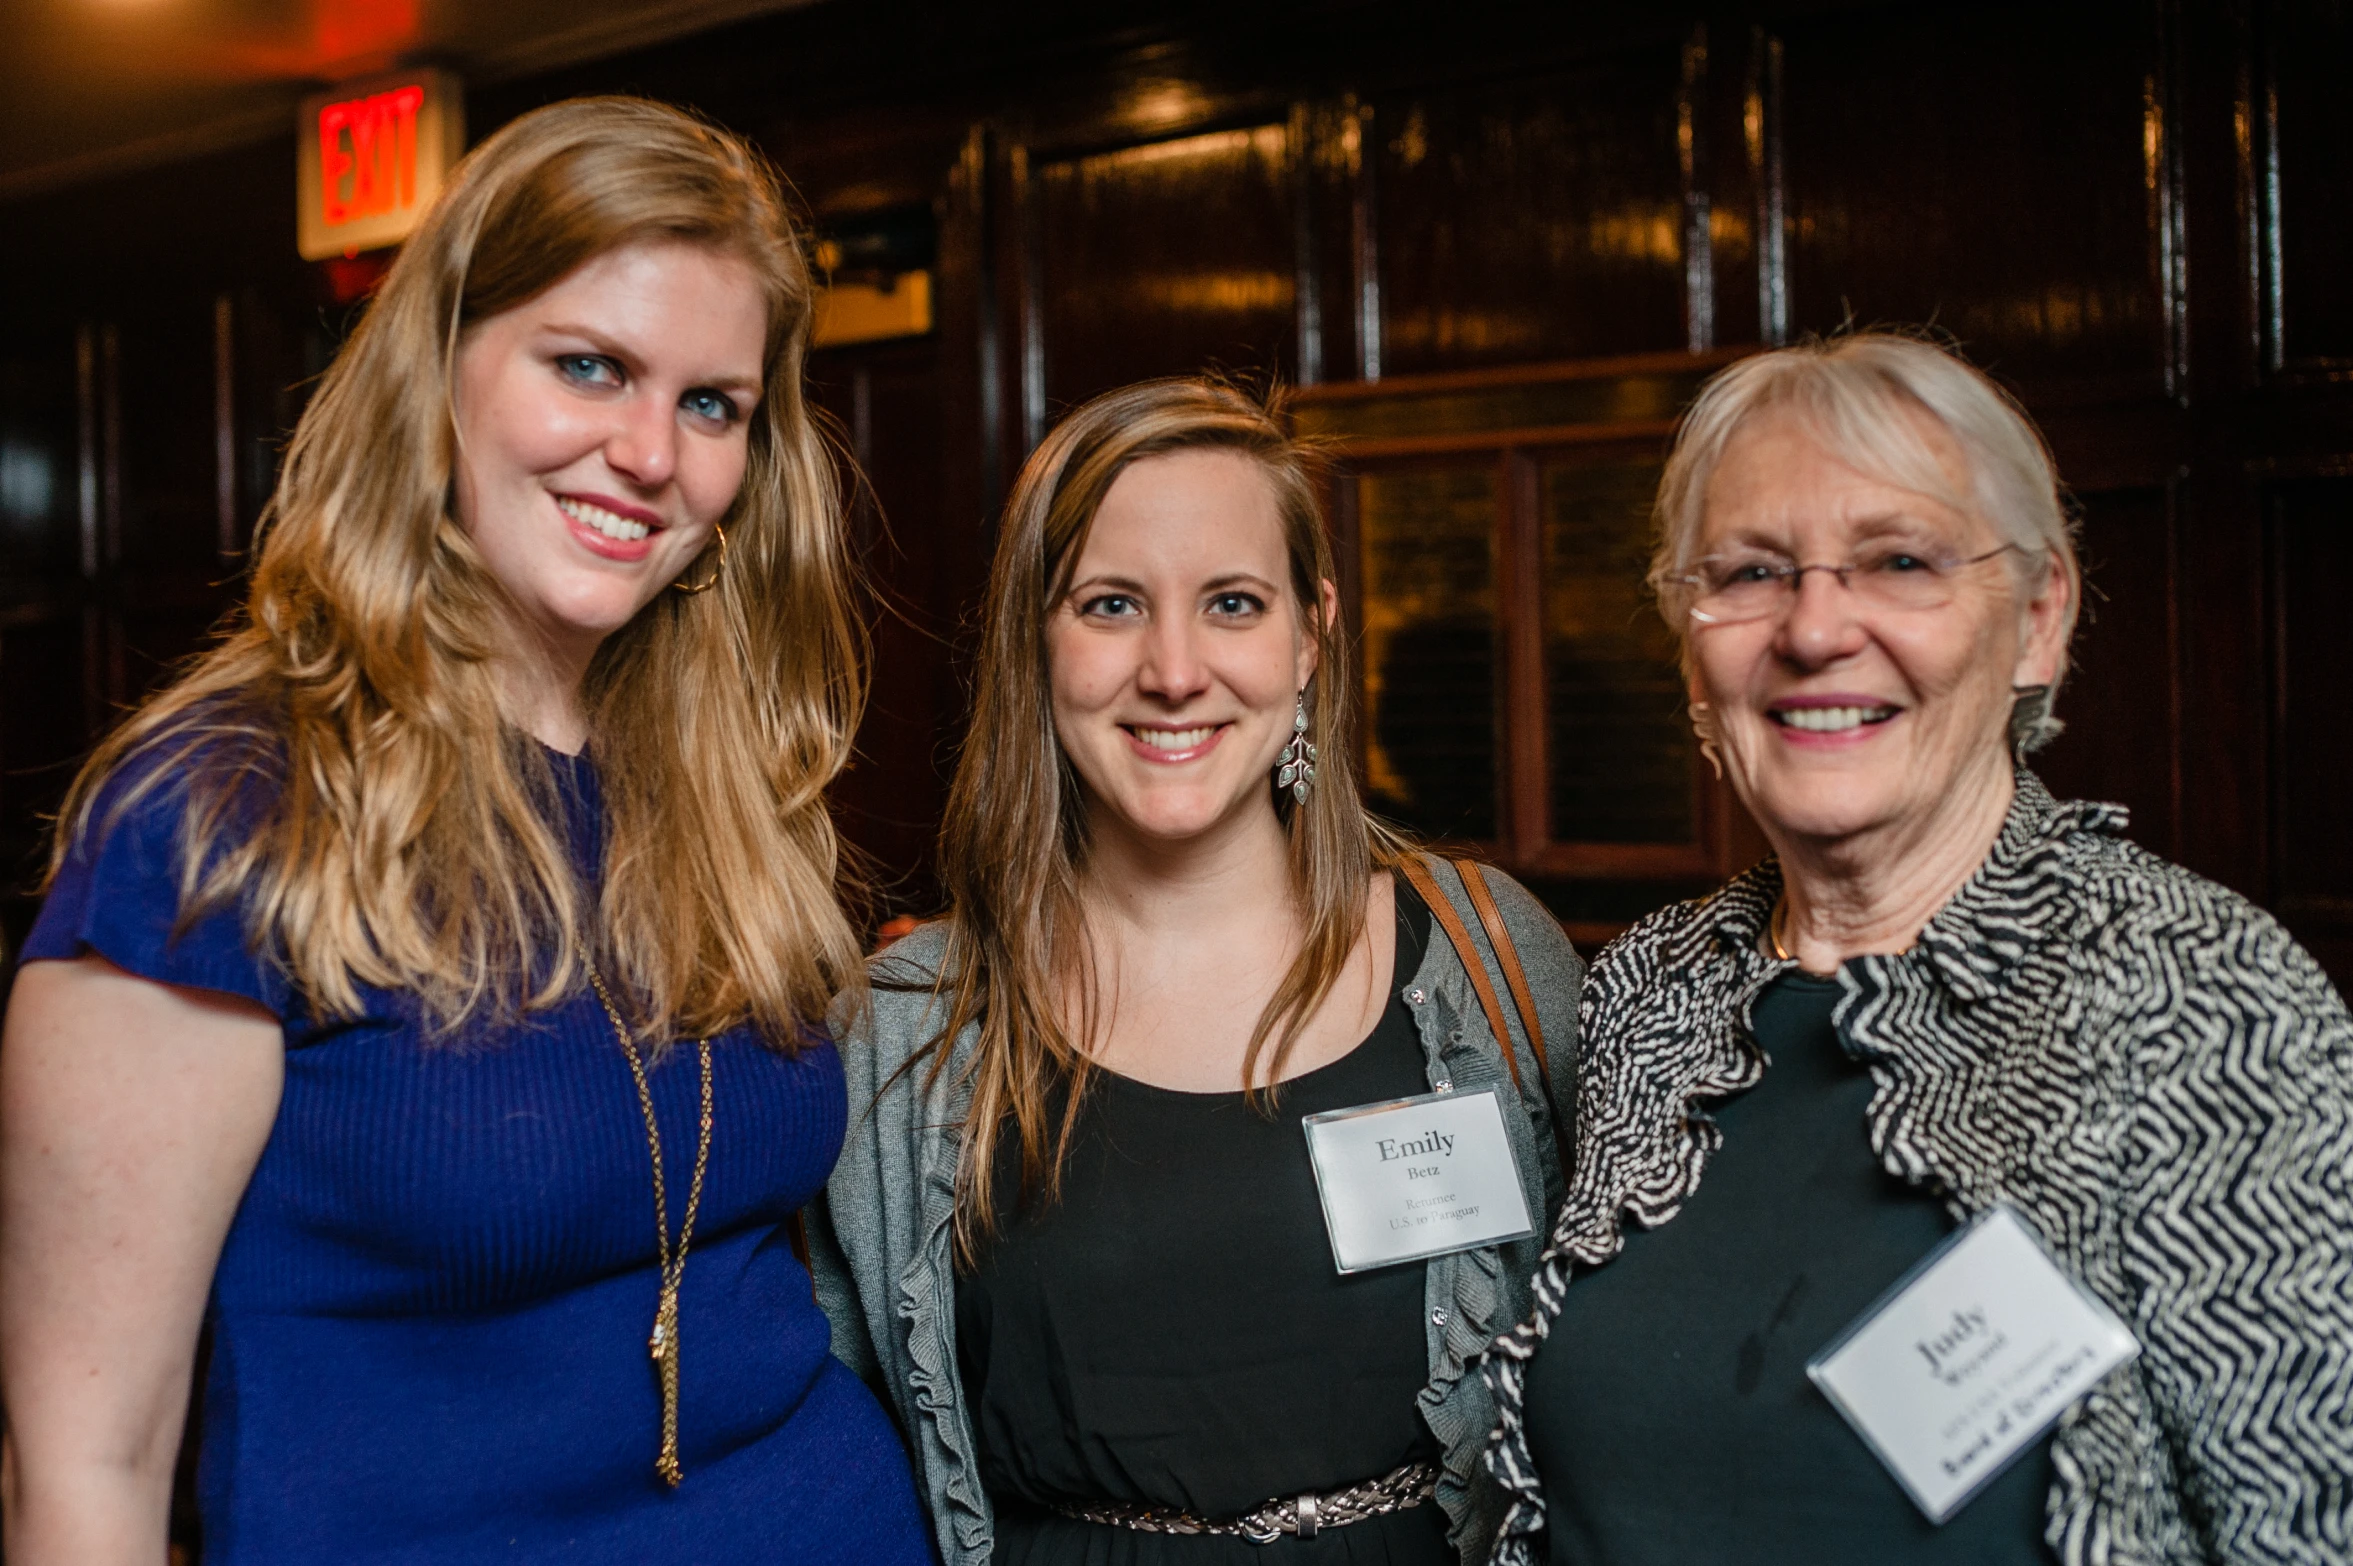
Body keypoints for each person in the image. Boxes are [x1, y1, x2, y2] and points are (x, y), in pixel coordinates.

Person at [0, 97, 930, 1565]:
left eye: (712, 405)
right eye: (588, 366)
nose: (649, 453)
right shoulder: (217, 814)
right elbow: (85, 1471)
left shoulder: (714, 787)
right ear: (435, 373)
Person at [1483, 333, 2353, 1565]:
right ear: (1690, 640)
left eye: (1898, 561)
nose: (1816, 629)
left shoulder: (2199, 998)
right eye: (1749, 572)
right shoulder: (1648, 990)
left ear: (2037, 620)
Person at [814, 377, 1584, 1565]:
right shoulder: (904, 1028)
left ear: (1310, 632)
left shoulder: (1485, 959)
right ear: (1037, 638)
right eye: (1112, 604)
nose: (1174, 670)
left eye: (1232, 602)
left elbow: (1622, 1378)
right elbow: (812, 1433)